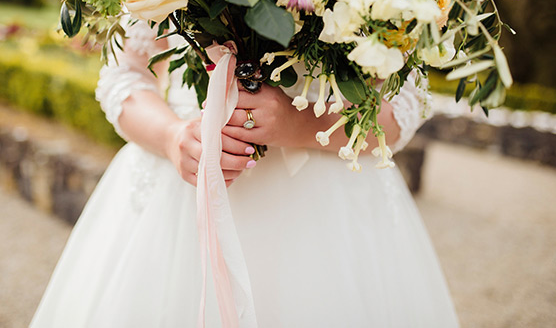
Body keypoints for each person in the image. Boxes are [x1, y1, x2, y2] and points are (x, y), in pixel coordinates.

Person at [30, 20, 459, 327]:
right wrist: (171, 136)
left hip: (327, 203)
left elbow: (405, 105)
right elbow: (123, 75)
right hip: (180, 193)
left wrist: (299, 123)